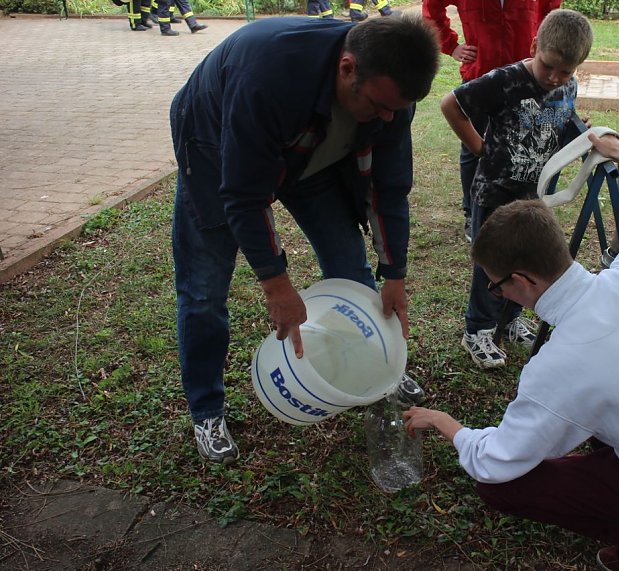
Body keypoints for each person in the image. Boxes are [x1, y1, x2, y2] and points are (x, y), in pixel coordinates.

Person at [404, 132, 619, 571]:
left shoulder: (563, 363)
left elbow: (495, 462)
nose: (497, 292)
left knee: (499, 488)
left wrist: (446, 423)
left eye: (496, 285)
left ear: (522, 280)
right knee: (597, 402)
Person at [170, 15, 440, 464]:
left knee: (350, 269)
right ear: (347, 68)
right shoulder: (268, 77)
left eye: (396, 110)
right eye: (379, 106)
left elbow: (389, 187)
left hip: (312, 155)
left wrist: (395, 275)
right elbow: (243, 195)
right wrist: (276, 285)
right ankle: (206, 410)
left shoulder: (391, 95)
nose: (388, 119)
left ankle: (371, 369)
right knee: (204, 288)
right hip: (216, 146)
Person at [441, 9, 592, 368]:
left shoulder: (567, 85)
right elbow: (451, 105)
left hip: (535, 194)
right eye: (548, 66)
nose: (554, 78)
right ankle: (478, 329)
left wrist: (582, 134)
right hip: (496, 192)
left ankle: (509, 320)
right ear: (534, 46)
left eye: (565, 71)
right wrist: (480, 148)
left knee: (526, 260)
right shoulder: (505, 80)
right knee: (493, 264)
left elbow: (559, 121)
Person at [423, 0, 560, 242]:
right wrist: (451, 46)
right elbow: (431, 8)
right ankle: (472, 212)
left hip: (525, 81)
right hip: (480, 78)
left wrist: (543, 52)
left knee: (525, 147)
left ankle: (522, 210)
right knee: (472, 149)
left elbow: (553, 13)